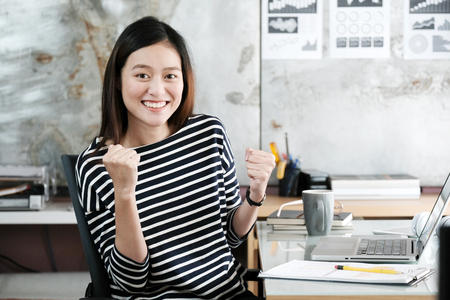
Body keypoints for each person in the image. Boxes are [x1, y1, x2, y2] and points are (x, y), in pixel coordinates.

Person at [76, 16, 275, 299]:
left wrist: (256, 193)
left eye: (170, 75)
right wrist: (124, 194)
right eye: (142, 75)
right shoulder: (98, 164)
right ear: (118, 81)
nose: (157, 90)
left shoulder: (210, 133)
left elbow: (230, 237)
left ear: (184, 80)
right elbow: (131, 281)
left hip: (227, 293)